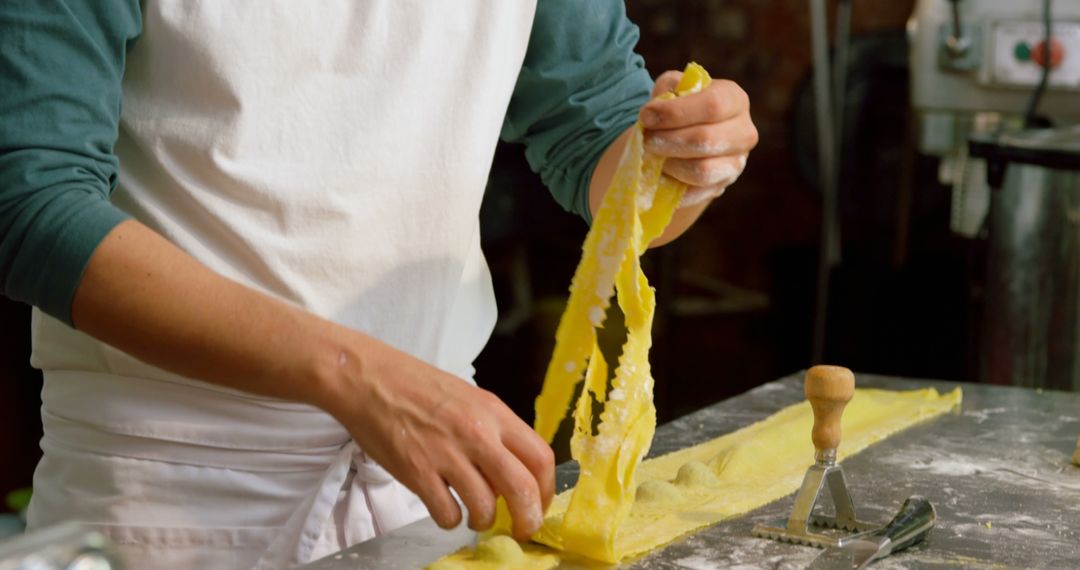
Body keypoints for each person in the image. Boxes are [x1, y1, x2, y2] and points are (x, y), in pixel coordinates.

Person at [0, 1, 758, 568]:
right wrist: (358, 377)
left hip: (430, 492)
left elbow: (596, 136)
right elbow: (29, 204)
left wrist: (680, 160)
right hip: (172, 493)